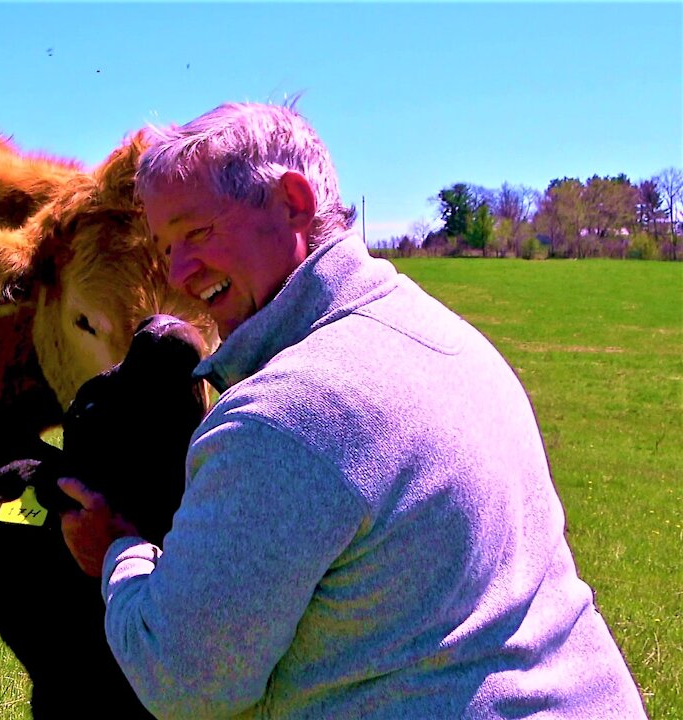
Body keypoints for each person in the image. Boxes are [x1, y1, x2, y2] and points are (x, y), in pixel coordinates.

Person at [58, 102, 646, 719]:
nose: (179, 274)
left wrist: (117, 556)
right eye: (166, 246)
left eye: (196, 233)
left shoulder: (284, 417)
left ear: (293, 202)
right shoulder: (447, 337)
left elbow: (183, 681)